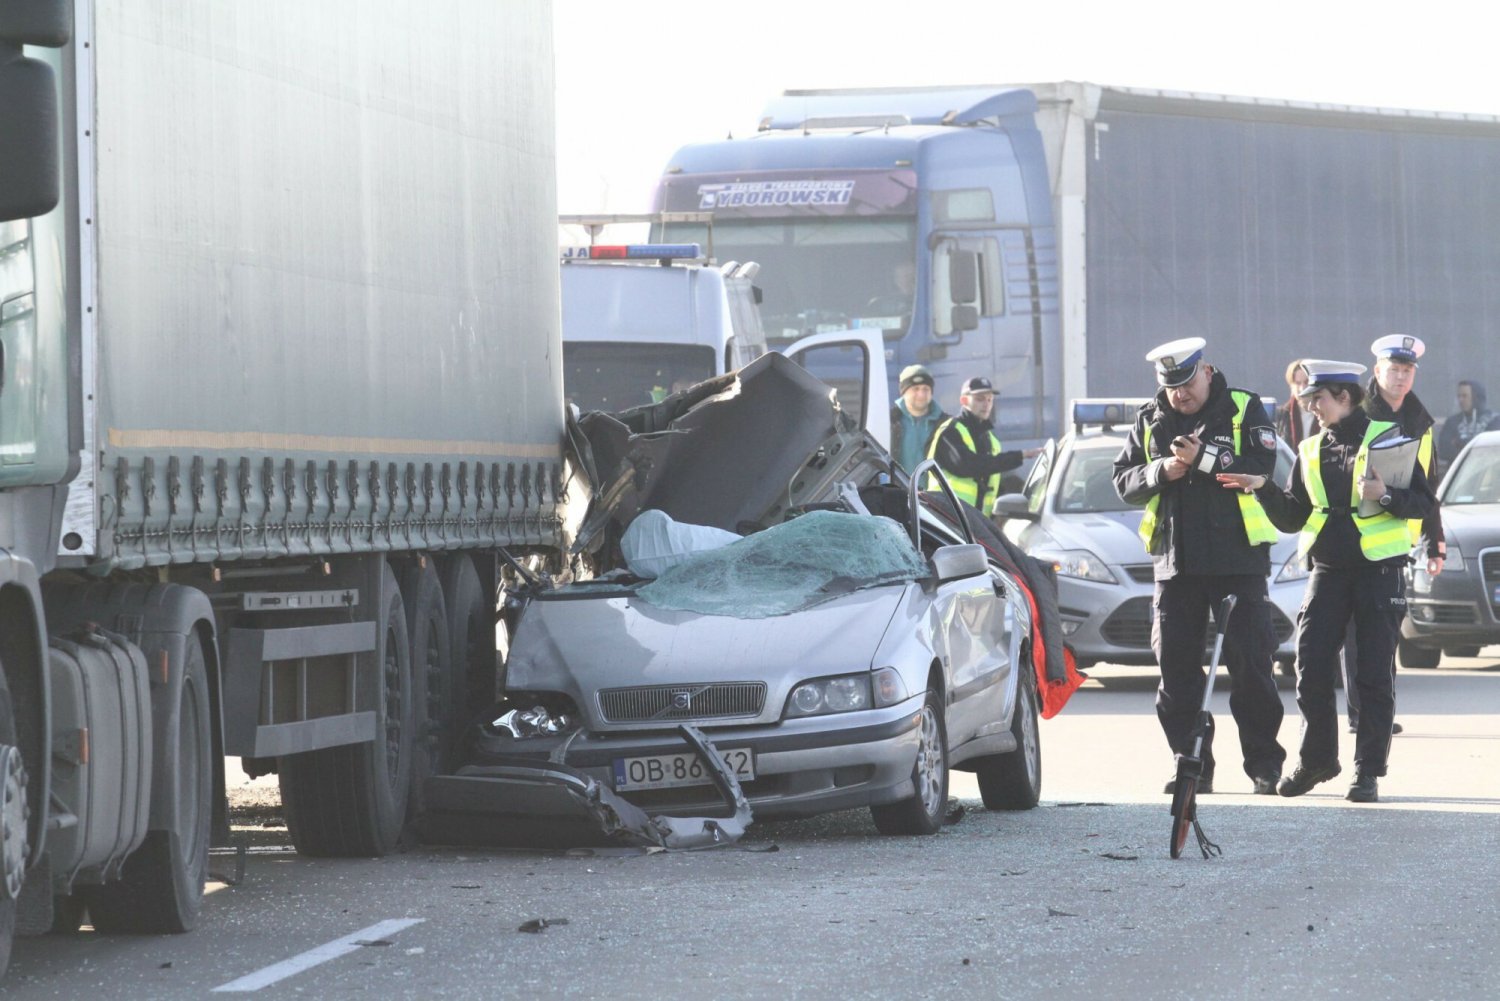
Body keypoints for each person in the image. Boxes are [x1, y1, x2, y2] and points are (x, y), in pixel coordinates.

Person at [1218, 359, 1436, 802]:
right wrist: (1261, 486)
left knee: (1373, 675)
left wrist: (1386, 495)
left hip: (1379, 571)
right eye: (1308, 400)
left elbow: (1422, 504)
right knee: (1311, 666)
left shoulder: (1388, 439)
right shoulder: (1311, 450)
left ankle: (1367, 771)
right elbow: (1293, 517)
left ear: (1344, 397)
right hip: (1328, 571)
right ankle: (1318, 760)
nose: (1311, 407)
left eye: (1317, 399)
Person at [1111, 337, 1287, 796]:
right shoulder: (1150, 418)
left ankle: (1264, 765)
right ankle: (1191, 762)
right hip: (1177, 563)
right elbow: (1123, 480)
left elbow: (1260, 465)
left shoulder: (1243, 408)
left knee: (1251, 666)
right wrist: (1159, 473)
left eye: (1186, 383)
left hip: (1237, 561)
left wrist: (1200, 461)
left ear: (1206, 371)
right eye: (1171, 387)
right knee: (1176, 672)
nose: (1180, 395)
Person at [1342, 335, 1444, 735]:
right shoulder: (1358, 415)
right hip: (1354, 536)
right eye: (1393, 369)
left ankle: (1377, 712)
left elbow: (1428, 487)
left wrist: (1434, 541)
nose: (1400, 377)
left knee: (1384, 630)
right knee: (1355, 632)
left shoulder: (1420, 422)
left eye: (1407, 370)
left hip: (1396, 537)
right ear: (1377, 371)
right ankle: (1358, 713)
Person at [927, 376, 1039, 514]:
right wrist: (1019, 456)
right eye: (980, 399)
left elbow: (991, 478)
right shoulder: (950, 431)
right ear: (964, 400)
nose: (986, 404)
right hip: (949, 517)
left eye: (990, 399)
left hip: (978, 521)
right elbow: (969, 465)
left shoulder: (990, 439)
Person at [890, 364, 947, 474]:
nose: (921, 394)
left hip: (934, 491)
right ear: (904, 392)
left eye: (926, 389)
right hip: (900, 490)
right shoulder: (890, 422)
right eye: (915, 389)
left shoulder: (945, 424)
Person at [1437, 379, 1500, 474]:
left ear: (1476, 397)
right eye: (1459, 396)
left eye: (1464, 396)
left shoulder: (1494, 420)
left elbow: (1490, 451)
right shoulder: (1452, 422)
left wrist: (1459, 443)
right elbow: (1443, 451)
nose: (1460, 400)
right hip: (1457, 477)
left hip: (1487, 475)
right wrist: (1473, 445)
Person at [1274, 359, 1315, 448]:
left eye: (1306, 382)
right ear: (1291, 386)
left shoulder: (1326, 415)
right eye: (1298, 383)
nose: (1302, 388)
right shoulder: (1281, 416)